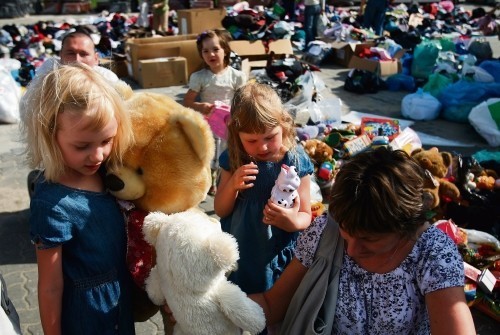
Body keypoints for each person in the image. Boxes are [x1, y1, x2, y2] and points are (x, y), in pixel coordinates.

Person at [251, 147, 476, 334]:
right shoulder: (325, 231)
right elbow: (273, 304)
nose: (352, 250)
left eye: (369, 240)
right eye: (346, 235)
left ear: (404, 226)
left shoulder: (433, 254)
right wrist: (222, 303)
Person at [20, 63, 136, 335]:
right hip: (85, 319)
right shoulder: (51, 204)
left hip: (121, 305)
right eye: (82, 146)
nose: (97, 155)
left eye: (106, 140)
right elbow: (50, 286)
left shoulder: (112, 173)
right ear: (51, 135)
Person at [214, 82, 314, 297]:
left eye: (270, 137)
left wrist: (292, 221)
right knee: (241, 304)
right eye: (251, 140)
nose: (263, 147)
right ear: (236, 134)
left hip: (278, 253)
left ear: (284, 125)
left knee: (275, 310)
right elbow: (221, 210)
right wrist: (232, 186)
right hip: (243, 252)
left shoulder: (296, 160)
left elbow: (306, 214)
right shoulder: (234, 160)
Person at [183, 29, 247, 195]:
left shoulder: (236, 76)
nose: (211, 54)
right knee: (210, 152)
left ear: (225, 50)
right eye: (205, 51)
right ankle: (210, 181)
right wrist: (201, 106)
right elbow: (188, 101)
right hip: (209, 122)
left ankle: (227, 179)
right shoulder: (200, 77)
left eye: (215, 49)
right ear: (201, 54)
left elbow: (243, 100)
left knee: (229, 152)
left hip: (229, 121)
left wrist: (236, 114)